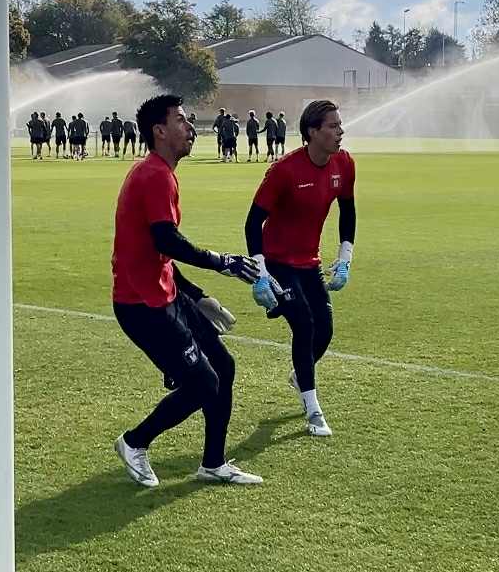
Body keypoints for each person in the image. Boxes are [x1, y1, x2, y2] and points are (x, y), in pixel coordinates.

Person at [111, 94, 264, 486]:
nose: (190, 125)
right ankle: (135, 442)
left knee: (223, 367)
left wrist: (196, 295)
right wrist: (223, 261)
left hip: (167, 295)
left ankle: (213, 463)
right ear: (159, 131)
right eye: (180, 120)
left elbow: (158, 252)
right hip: (143, 305)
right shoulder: (154, 175)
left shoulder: (160, 172)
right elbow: (168, 240)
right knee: (203, 383)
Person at [246, 98, 354, 438]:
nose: (340, 131)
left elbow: (348, 211)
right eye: (333, 126)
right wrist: (261, 274)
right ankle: (313, 409)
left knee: (325, 330)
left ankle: (300, 374)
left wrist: (345, 258)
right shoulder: (284, 171)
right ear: (313, 132)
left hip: (310, 262)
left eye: (340, 124)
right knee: (304, 326)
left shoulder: (345, 164)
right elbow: (252, 224)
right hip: (278, 262)